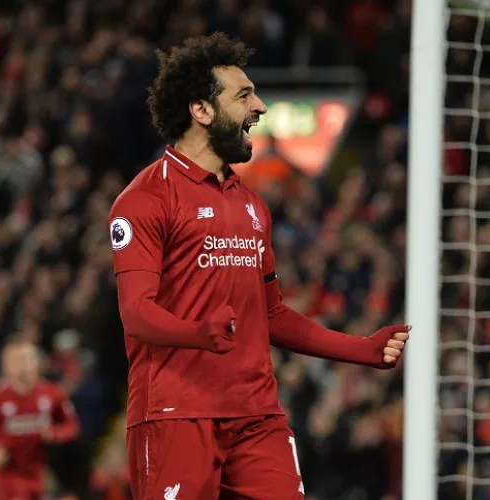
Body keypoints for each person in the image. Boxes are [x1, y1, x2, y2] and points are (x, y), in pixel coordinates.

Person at [108, 32, 410, 500]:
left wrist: (361, 350)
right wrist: (198, 333)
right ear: (201, 110)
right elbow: (136, 312)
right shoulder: (146, 200)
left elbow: (272, 315)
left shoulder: (252, 206)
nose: (261, 107)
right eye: (244, 95)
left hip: (257, 415)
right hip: (177, 414)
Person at [0, 335, 80, 500]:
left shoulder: (53, 394)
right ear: (6, 366)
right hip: (6, 476)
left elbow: (72, 426)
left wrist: (54, 434)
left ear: (36, 362)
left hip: (38, 473)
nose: (22, 366)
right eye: (16, 361)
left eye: (26, 359)